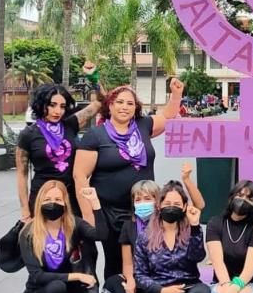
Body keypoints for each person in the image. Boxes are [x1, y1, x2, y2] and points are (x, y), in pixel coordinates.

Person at [74, 78, 184, 279]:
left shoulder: (143, 126)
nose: (125, 107)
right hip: (110, 213)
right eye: (120, 102)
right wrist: (88, 215)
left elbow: (167, 115)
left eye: (130, 103)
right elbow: (80, 176)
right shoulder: (96, 135)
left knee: (147, 256)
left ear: (136, 108)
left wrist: (176, 94)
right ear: (110, 105)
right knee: (116, 261)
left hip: (144, 209)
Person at [19, 181, 107, 293]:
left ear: (65, 202)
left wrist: (95, 203)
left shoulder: (74, 224)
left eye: (58, 199)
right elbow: (37, 276)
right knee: (56, 286)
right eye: (48, 199)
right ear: (39, 202)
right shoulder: (29, 232)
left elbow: (101, 235)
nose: (53, 203)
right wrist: (76, 275)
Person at [16, 81, 104, 220]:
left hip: (71, 196)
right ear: (41, 104)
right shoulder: (28, 135)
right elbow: (22, 175)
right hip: (43, 196)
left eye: (62, 106)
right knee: (45, 240)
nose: (58, 111)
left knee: (77, 240)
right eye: (52, 105)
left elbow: (100, 102)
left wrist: (94, 78)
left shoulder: (70, 124)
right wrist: (25, 211)